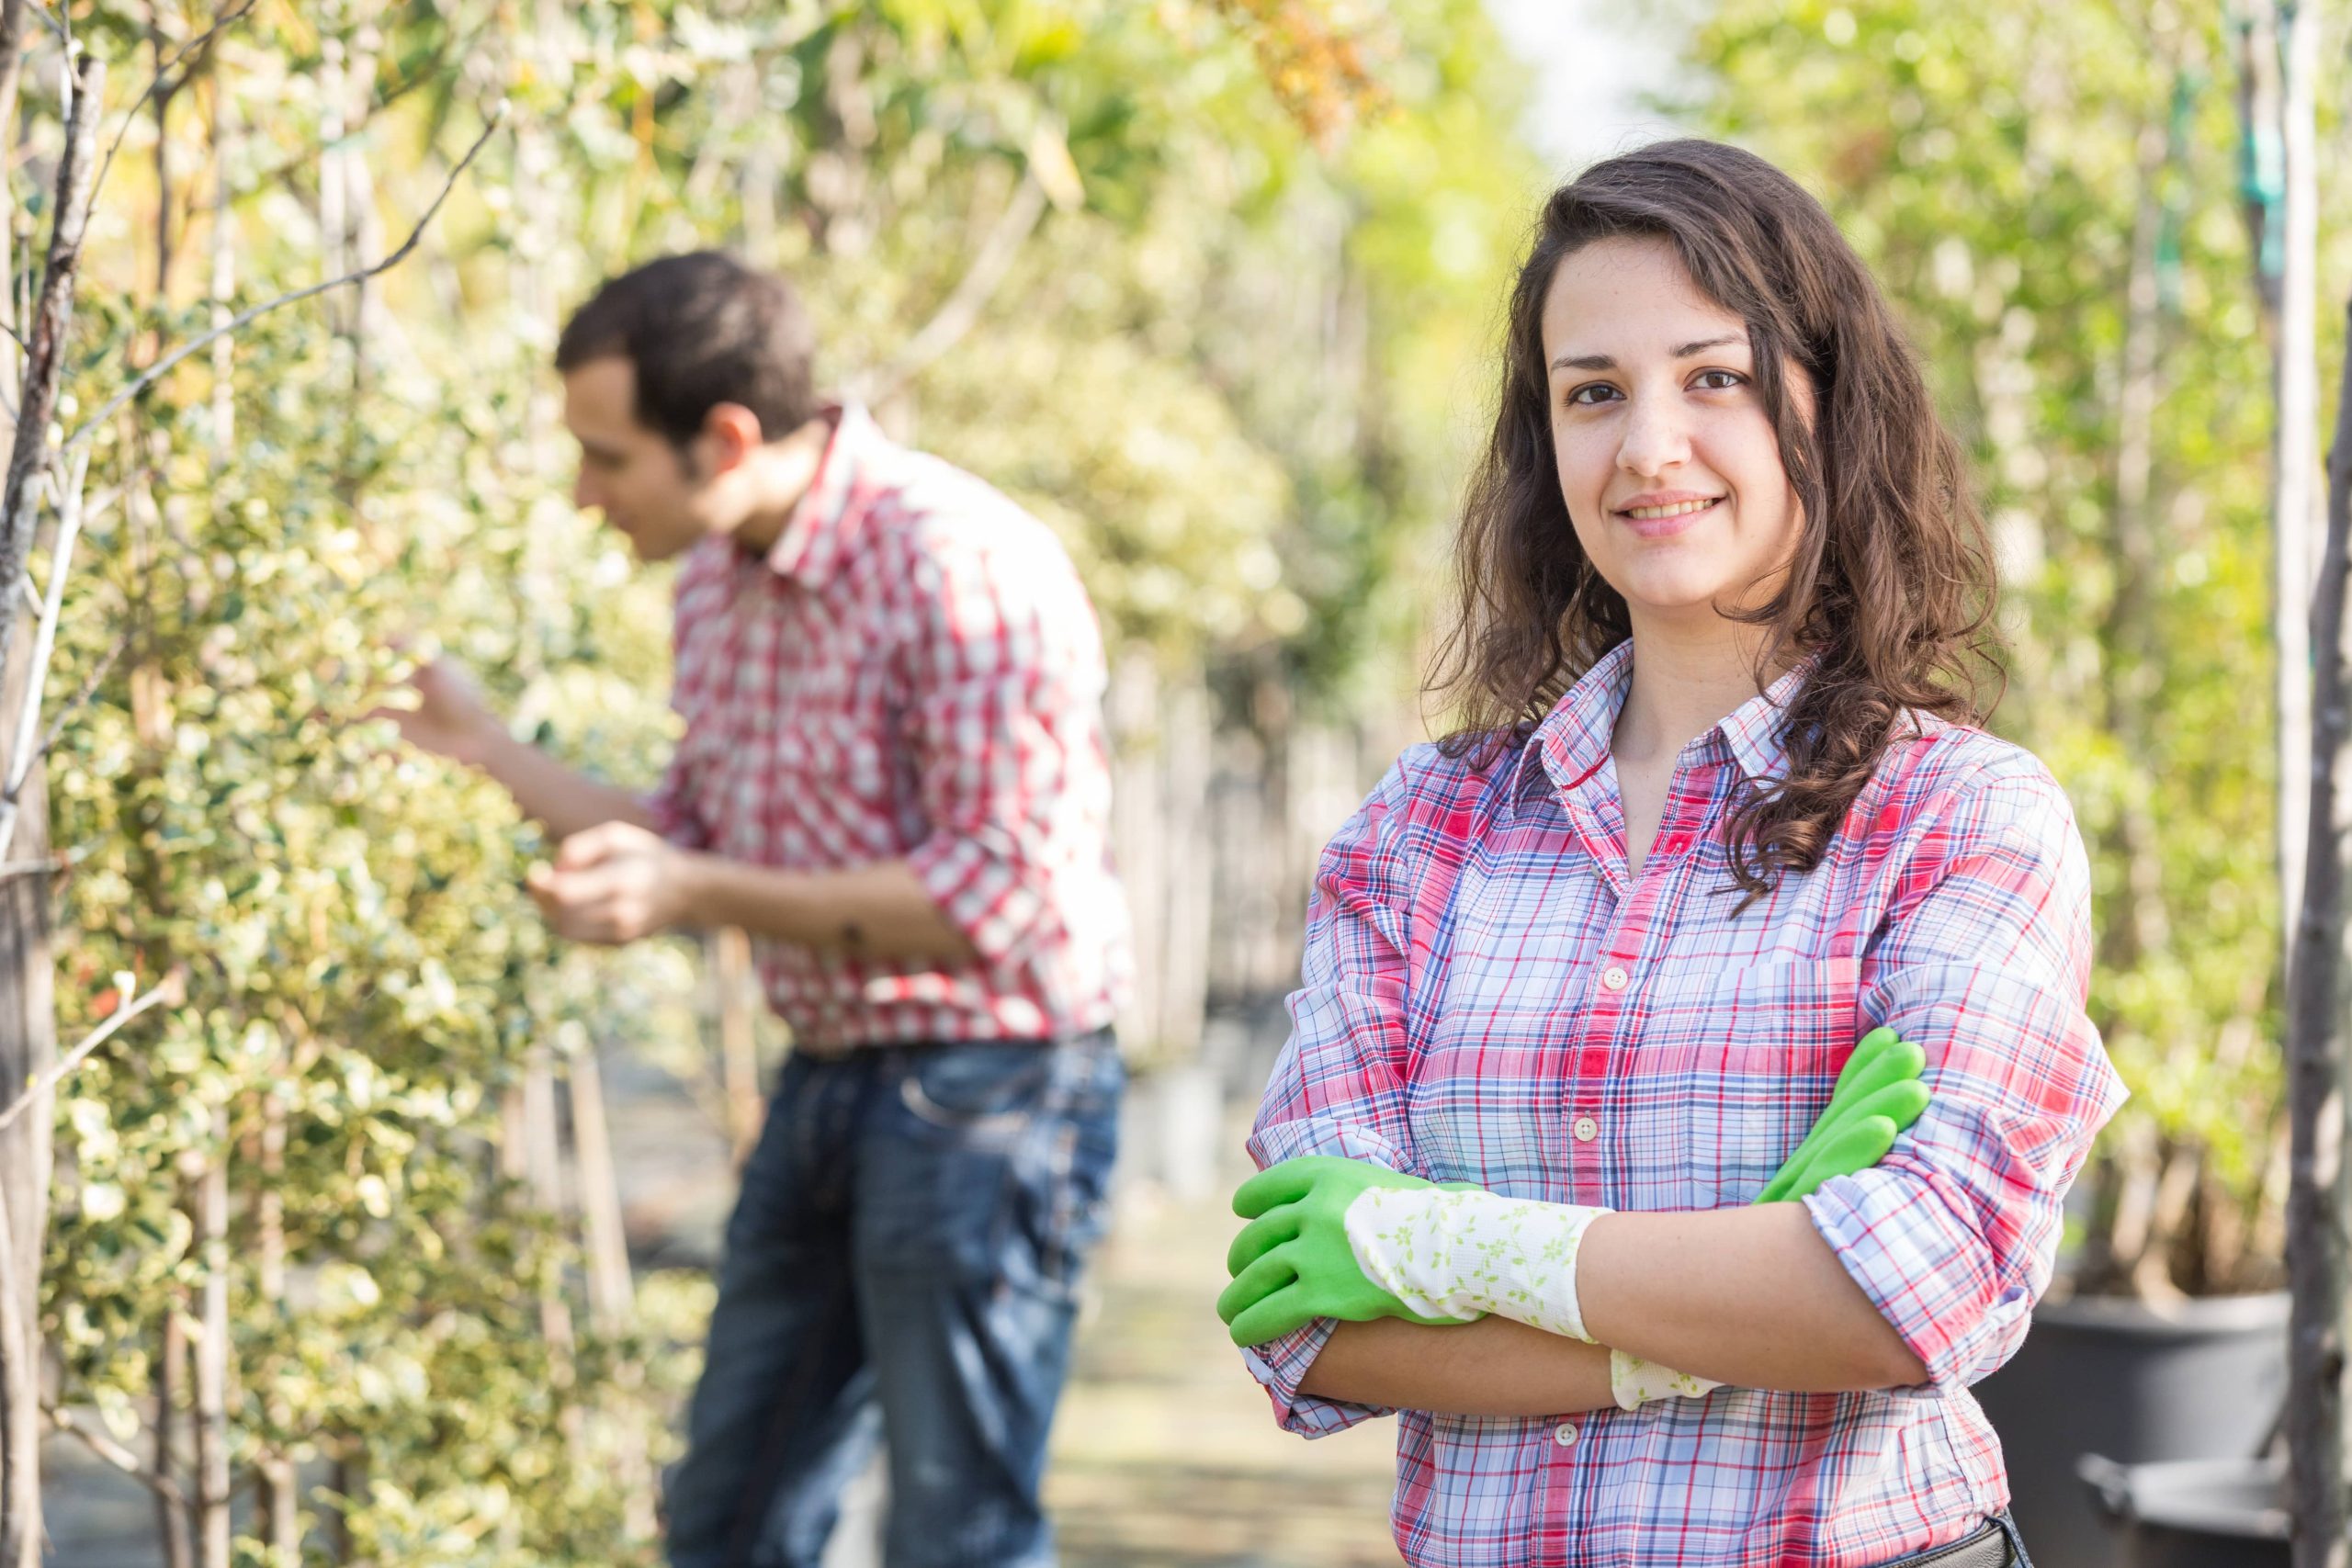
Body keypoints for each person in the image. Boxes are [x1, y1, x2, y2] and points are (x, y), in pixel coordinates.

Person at [1216, 141, 2126, 1568]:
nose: (1649, 446)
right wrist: (1754, 1273)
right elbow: (1308, 1319)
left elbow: (1931, 1286)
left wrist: (1448, 1249)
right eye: (1594, 394)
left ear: (1827, 402)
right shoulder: (1422, 832)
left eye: (1715, 377)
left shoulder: (1961, 818)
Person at [368, 251, 1131, 1568]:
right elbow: (695, 837)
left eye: (607, 457)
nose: (584, 492)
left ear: (723, 439)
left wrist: (691, 892)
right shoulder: (717, 582)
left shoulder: (961, 565)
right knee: (729, 1518)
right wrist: (487, 750)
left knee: (958, 1531)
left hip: (994, 1090)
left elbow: (998, 894)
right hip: (827, 1081)